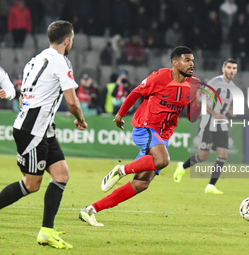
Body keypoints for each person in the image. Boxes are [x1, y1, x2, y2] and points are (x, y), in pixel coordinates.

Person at [79, 46, 202, 226]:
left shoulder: (194, 84)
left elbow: (192, 117)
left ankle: (90, 210)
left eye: (192, 60)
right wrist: (120, 114)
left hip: (163, 135)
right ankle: (121, 170)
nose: (191, 64)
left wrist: (198, 102)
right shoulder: (160, 77)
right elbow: (136, 92)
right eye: (187, 60)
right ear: (175, 63)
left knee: (141, 184)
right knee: (162, 160)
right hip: (146, 126)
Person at [0, 21, 87, 249]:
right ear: (67, 40)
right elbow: (72, 101)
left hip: (42, 130)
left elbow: (22, 96)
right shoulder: (61, 61)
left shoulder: (35, 60)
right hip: (33, 131)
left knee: (61, 175)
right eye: (72, 40)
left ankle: (46, 231)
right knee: (31, 184)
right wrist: (80, 118)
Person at [173, 59, 238, 195]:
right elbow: (201, 98)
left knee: (223, 154)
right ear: (223, 69)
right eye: (229, 68)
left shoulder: (233, 87)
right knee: (203, 156)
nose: (232, 71)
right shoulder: (215, 82)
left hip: (221, 124)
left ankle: (210, 186)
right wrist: (214, 113)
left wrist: (230, 110)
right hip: (208, 123)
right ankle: (182, 166)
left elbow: (223, 105)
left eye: (234, 68)